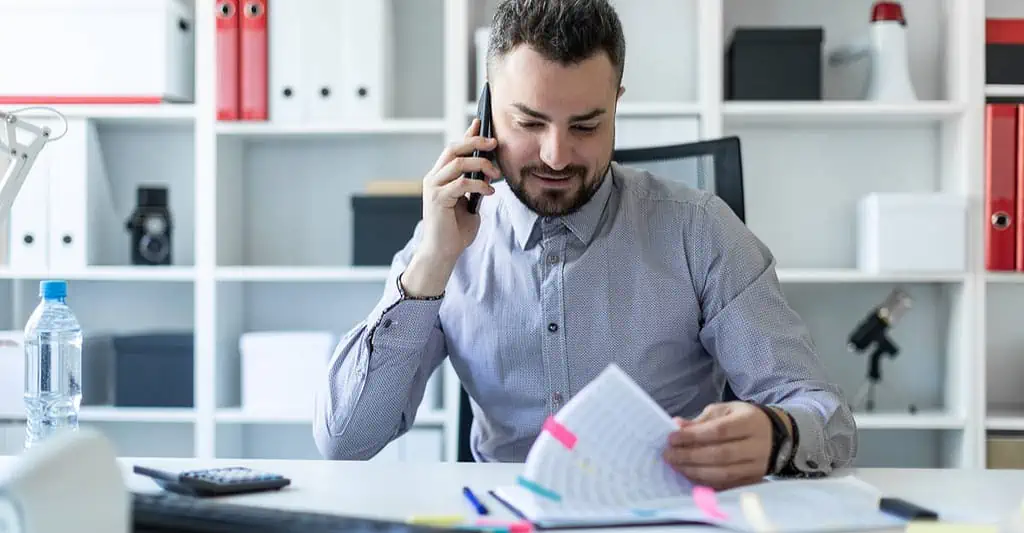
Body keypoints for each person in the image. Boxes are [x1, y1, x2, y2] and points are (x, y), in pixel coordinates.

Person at [313, 0, 856, 490]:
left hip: (662, 517)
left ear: (616, 105)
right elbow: (344, 441)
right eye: (528, 121)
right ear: (485, 109)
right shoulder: (445, 239)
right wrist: (431, 264)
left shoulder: (701, 231)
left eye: (586, 126)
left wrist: (777, 432)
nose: (555, 154)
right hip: (508, 518)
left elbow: (825, 416)